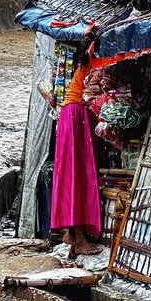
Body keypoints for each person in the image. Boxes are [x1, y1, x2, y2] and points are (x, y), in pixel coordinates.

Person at [52, 59, 102, 259]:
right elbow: (91, 94)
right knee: (77, 175)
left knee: (74, 174)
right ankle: (78, 238)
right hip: (76, 115)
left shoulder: (87, 64)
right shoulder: (94, 65)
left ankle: (72, 235)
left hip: (72, 114)